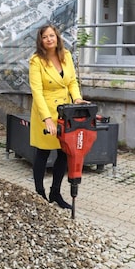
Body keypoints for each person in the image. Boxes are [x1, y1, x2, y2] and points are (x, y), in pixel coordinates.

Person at [29, 24, 89, 209]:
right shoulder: (36, 60)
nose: (49, 39)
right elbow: (37, 91)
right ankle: (40, 194)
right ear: (41, 40)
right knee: (43, 153)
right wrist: (46, 118)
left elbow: (71, 81)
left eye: (52, 36)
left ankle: (55, 192)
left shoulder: (66, 56)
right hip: (44, 111)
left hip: (65, 111)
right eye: (45, 37)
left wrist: (77, 99)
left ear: (57, 37)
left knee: (64, 153)